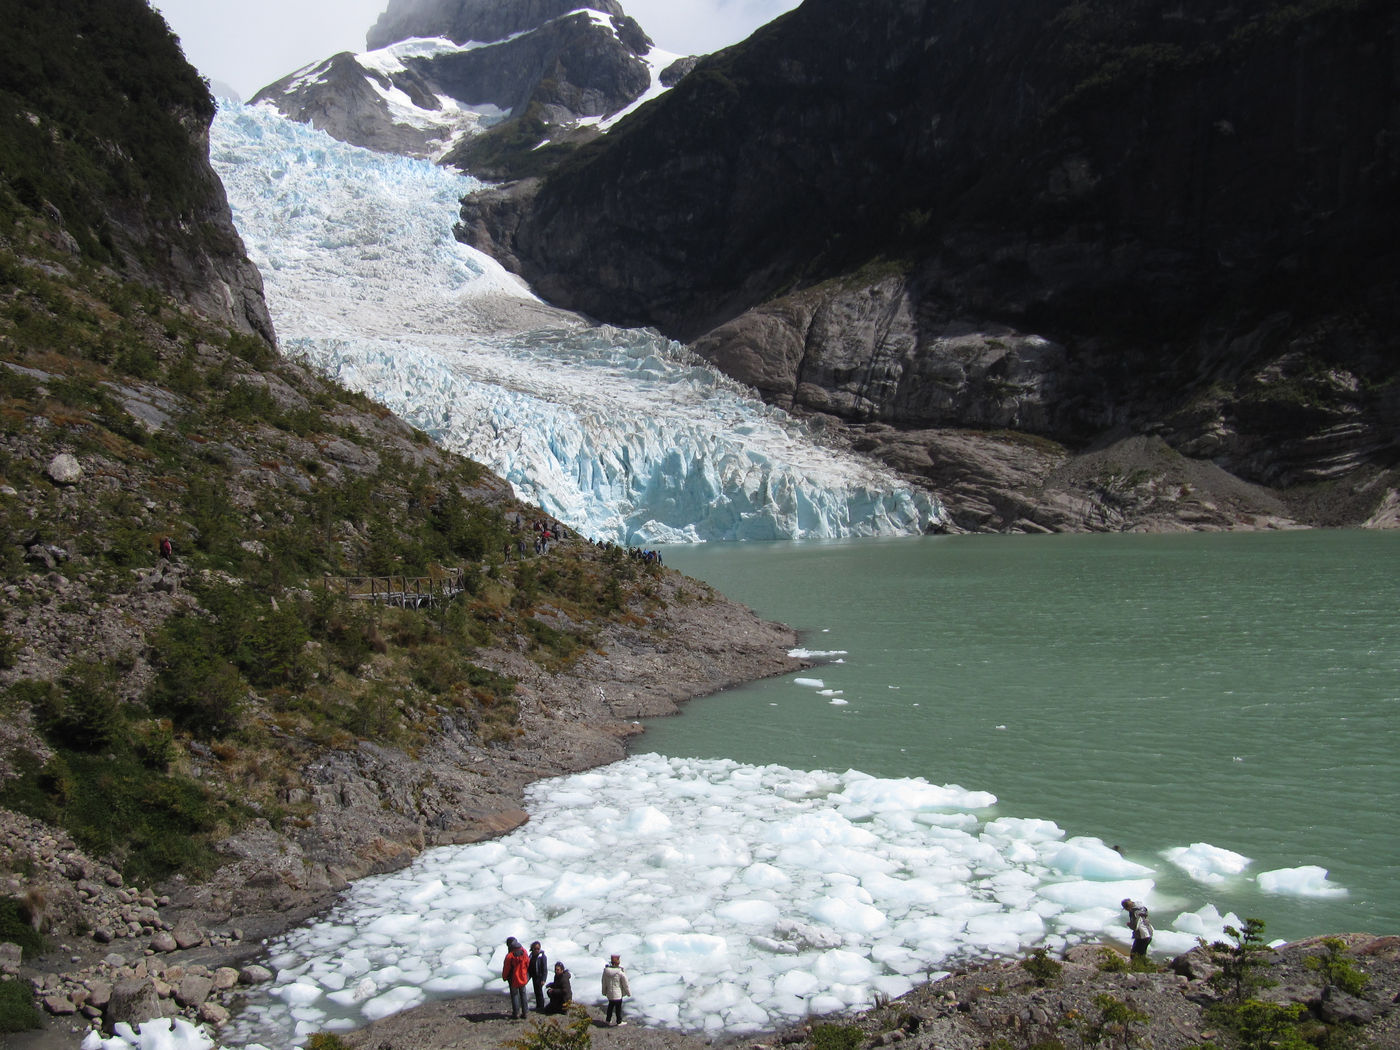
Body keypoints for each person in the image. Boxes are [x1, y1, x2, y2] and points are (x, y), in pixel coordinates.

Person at [502, 936, 531, 1018]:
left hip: (513, 979)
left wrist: (504, 977)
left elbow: (506, 968)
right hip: (523, 977)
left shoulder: (510, 956)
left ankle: (516, 1013)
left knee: (514, 995)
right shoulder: (524, 951)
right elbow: (527, 963)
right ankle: (525, 1012)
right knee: (523, 994)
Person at [601, 953, 630, 1026]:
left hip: (610, 993)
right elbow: (625, 983)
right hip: (617, 993)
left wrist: (604, 992)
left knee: (610, 1006)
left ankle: (608, 1020)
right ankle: (619, 1021)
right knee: (618, 1008)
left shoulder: (606, 971)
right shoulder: (620, 972)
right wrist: (628, 992)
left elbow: (603, 982)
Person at [529, 940, 549, 1011]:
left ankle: (541, 1007)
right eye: (535, 949)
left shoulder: (542, 957)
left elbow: (545, 969)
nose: (537, 950)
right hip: (534, 976)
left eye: (538, 949)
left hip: (539, 976)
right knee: (536, 991)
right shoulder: (531, 956)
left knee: (539, 992)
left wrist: (543, 979)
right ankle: (538, 1006)